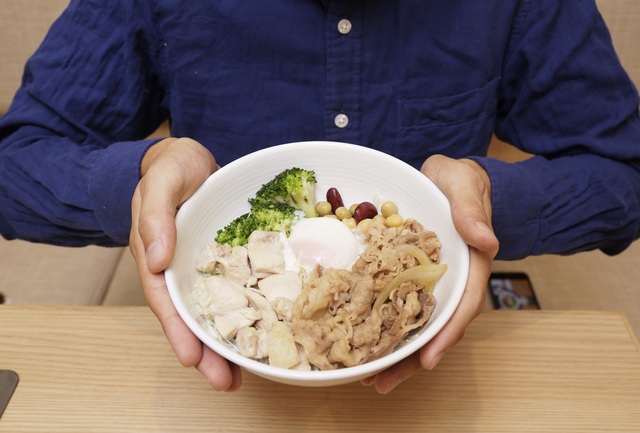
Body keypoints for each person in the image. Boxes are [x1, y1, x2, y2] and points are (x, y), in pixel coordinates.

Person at [1, 1, 639, 394]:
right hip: (206, 381)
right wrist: (143, 180)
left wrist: (488, 200)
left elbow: (624, 172)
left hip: (445, 377)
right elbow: (14, 167)